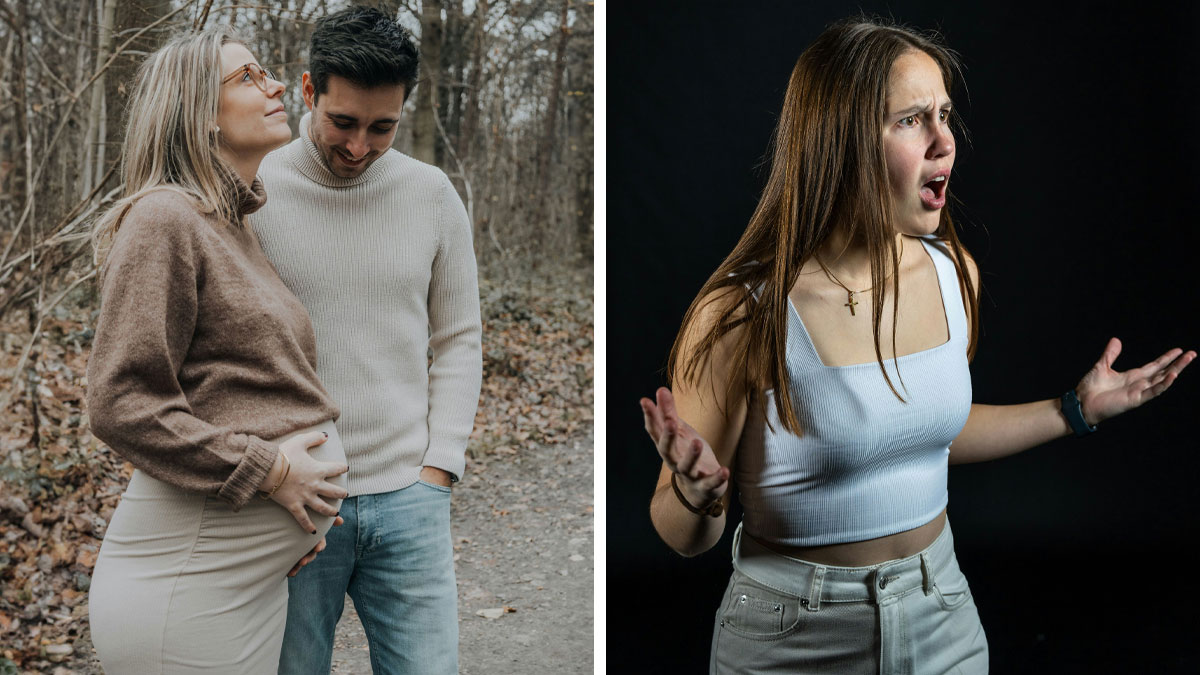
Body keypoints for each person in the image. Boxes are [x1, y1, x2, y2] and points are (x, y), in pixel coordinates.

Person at [639, 18, 1195, 674]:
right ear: (839, 140)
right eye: (910, 120)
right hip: (793, 638)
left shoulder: (952, 271)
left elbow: (924, 432)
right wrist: (696, 493)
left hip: (942, 614)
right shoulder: (739, 314)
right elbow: (679, 533)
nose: (944, 141)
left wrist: (1075, 408)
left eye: (945, 114)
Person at [85, 28, 352, 673]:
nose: (278, 86)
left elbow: (238, 390)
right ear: (197, 111)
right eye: (249, 78)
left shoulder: (229, 225)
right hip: (186, 582)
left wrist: (286, 517)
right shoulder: (163, 219)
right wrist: (268, 472)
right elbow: (120, 403)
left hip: (241, 580)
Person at [246, 6, 483, 674]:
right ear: (307, 90)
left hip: (410, 499)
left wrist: (440, 467)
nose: (358, 146)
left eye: (382, 127)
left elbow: (460, 337)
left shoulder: (431, 194)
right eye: (342, 122)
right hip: (292, 502)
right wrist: (271, 472)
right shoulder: (251, 192)